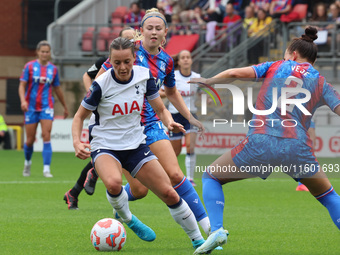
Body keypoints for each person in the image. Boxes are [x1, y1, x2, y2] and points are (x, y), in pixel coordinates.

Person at [193, 27, 340, 254]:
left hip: (262, 142)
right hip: (297, 148)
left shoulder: (275, 66)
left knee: (211, 175)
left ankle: (217, 230)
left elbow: (236, 73)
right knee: (329, 196)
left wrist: (209, 81)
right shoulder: (321, 83)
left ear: (291, 54)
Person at [95, 8, 212, 246]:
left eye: (159, 28)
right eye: (150, 28)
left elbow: (171, 92)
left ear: (165, 33)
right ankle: (121, 207)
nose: (154, 32)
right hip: (124, 129)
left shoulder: (167, 61)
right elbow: (100, 81)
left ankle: (210, 229)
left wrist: (189, 118)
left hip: (150, 124)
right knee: (139, 190)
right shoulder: (129, 53)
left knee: (176, 175)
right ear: (141, 32)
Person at [64, 27, 136, 210]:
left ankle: (74, 192)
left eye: (133, 39)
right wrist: (92, 95)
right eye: (126, 39)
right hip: (104, 118)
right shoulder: (105, 64)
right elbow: (88, 77)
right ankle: (95, 177)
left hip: (128, 119)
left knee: (105, 158)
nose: (131, 42)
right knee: (108, 156)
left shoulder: (140, 67)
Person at [19, 40, 68, 178]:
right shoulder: (29, 67)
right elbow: (22, 85)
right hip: (31, 107)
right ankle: (27, 162)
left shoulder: (53, 69)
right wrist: (23, 101)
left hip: (47, 106)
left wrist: (64, 106)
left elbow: (57, 88)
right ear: (37, 52)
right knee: (29, 140)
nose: (45, 54)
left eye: (47, 52)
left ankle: (46, 169)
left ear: (50, 53)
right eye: (42, 51)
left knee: (46, 136)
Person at [161, 50, 200, 186]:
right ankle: (167, 175)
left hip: (191, 115)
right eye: (182, 57)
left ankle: (190, 178)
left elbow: (202, 92)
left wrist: (207, 100)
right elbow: (161, 91)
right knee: (175, 151)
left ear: (191, 60)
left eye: (188, 57)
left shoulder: (197, 77)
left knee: (190, 146)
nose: (185, 60)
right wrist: (166, 94)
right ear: (178, 61)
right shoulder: (173, 76)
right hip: (175, 115)